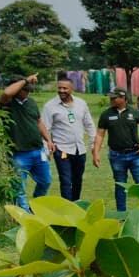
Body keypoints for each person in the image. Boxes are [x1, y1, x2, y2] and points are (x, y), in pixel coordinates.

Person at [0, 74, 55, 212]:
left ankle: (36, 208)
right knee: (19, 187)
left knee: (45, 181)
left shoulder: (31, 102)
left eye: (29, 89)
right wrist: (26, 80)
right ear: (16, 89)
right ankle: (23, 215)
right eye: (25, 89)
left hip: (38, 150)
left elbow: (38, 121)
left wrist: (48, 140)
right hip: (19, 153)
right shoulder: (7, 103)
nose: (28, 92)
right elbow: (6, 92)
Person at [92, 87, 139, 213]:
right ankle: (121, 214)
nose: (111, 99)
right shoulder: (106, 114)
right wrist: (96, 152)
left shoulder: (134, 112)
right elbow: (100, 135)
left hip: (135, 154)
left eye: (114, 97)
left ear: (123, 98)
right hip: (116, 156)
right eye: (111, 97)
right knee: (120, 185)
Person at [41, 73, 97, 201]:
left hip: (80, 149)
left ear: (72, 89)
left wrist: (93, 143)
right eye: (59, 88)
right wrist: (46, 149)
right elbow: (45, 128)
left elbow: (89, 124)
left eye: (65, 88)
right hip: (62, 150)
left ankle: (76, 205)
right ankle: (67, 210)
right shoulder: (50, 106)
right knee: (66, 180)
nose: (62, 91)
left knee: (78, 179)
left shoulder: (81, 103)